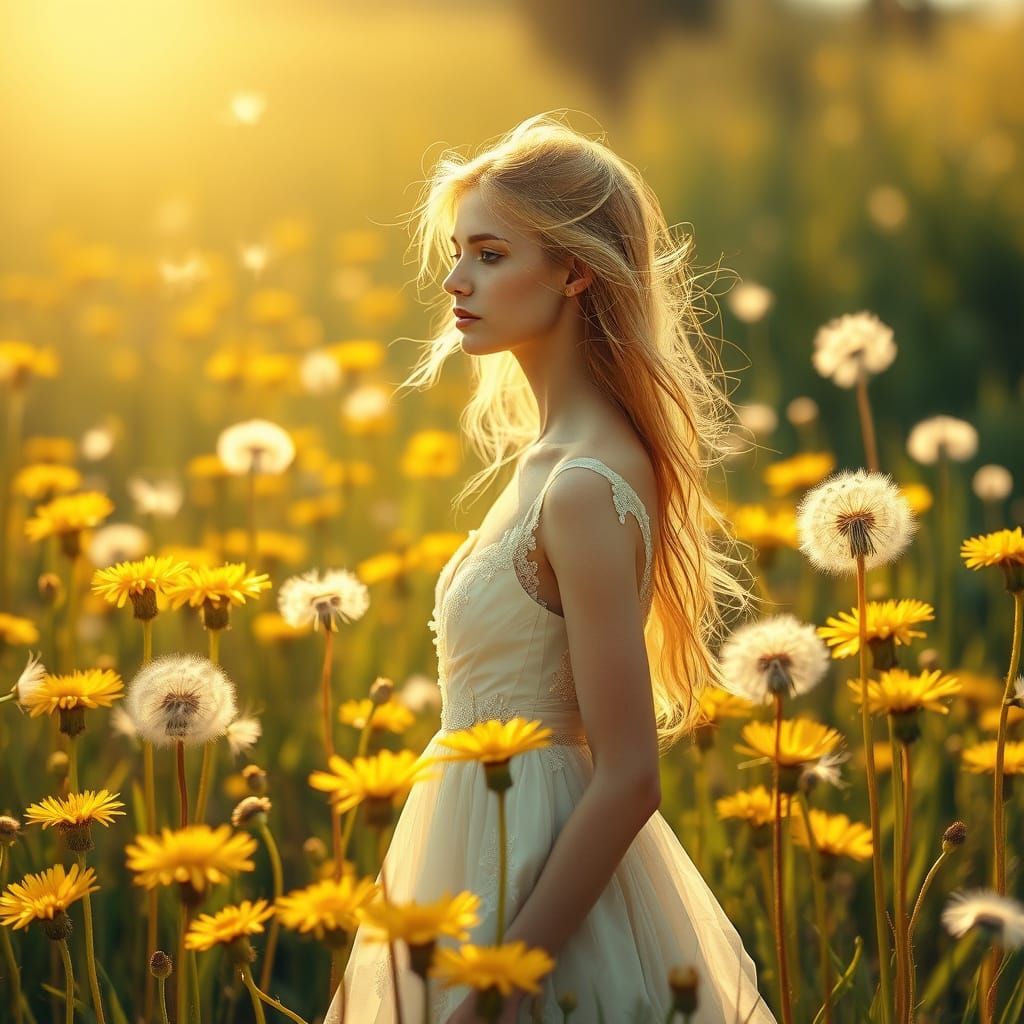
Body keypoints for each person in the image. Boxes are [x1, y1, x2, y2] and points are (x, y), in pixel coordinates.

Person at [327, 113, 775, 1023]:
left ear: (576, 271)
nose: (456, 281)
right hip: (474, 853)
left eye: (490, 254)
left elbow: (629, 775)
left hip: (535, 894)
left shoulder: (580, 484)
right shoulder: (551, 460)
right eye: (457, 252)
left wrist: (495, 989)